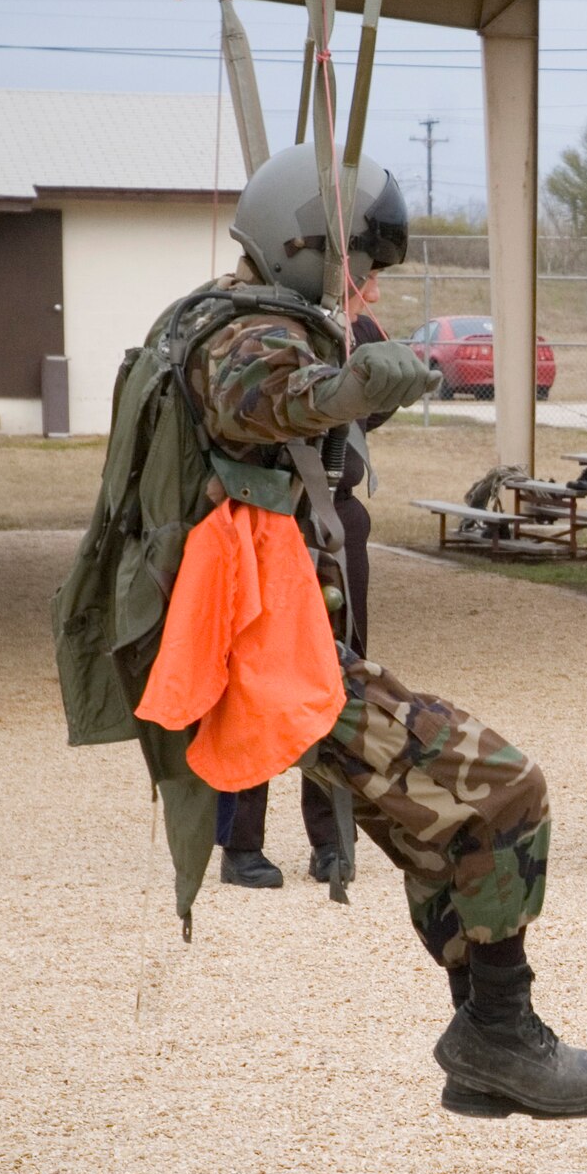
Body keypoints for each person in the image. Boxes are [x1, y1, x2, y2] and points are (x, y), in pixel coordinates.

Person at [52, 144, 587, 1118]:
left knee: (440, 818)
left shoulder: (229, 315)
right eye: (363, 263)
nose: (367, 284)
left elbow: (281, 432)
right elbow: (261, 398)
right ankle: (499, 1030)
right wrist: (355, 382)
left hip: (276, 645)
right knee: (507, 787)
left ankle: (484, 1037)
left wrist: (349, 386)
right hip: (258, 657)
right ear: (304, 245)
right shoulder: (244, 335)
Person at [212, 272, 394, 891]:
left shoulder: (354, 330)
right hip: (263, 514)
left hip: (335, 520)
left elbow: (380, 399)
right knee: (251, 678)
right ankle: (240, 844)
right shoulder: (250, 323)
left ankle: (333, 839)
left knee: (338, 677)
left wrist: (352, 327)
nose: (369, 282)